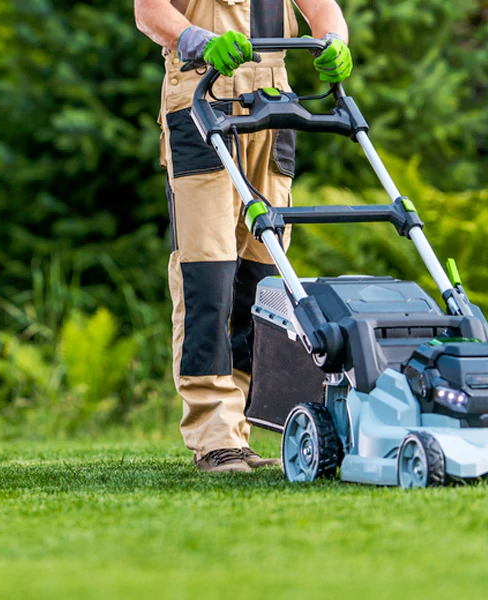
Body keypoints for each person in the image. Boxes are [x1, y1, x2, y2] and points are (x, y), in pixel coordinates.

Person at [134, 0, 353, 472]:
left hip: (272, 104)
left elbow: (323, 8)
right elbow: (148, 11)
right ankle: (214, 435)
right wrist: (199, 41)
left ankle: (241, 431)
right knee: (207, 273)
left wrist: (335, 40)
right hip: (202, 94)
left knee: (263, 278)